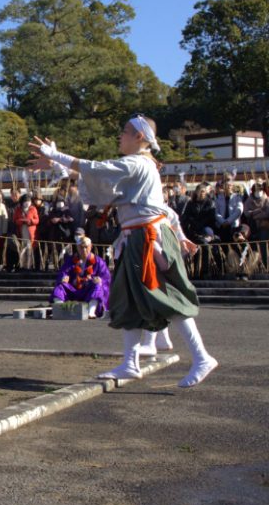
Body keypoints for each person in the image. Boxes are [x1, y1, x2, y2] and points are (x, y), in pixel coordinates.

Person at [30, 114, 218, 387]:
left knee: (167, 298)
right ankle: (130, 362)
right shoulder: (139, 166)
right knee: (127, 298)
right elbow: (103, 183)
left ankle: (201, 357)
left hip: (147, 238)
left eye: (125, 131)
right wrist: (59, 165)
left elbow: (99, 170)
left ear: (140, 137)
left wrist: (58, 155)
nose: (120, 135)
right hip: (137, 237)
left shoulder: (139, 163)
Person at [49, 236, 111, 318]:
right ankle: (60, 309)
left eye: (86, 247)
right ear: (77, 247)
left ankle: (91, 311)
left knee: (97, 286)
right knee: (60, 287)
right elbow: (63, 272)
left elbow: (106, 277)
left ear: (91, 246)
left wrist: (100, 280)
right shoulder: (71, 260)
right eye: (81, 248)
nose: (84, 250)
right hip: (73, 289)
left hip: (88, 290)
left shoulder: (99, 261)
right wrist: (63, 278)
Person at [12, 194, 39, 269]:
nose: (27, 203)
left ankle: (29, 266)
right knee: (22, 248)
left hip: (31, 232)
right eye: (26, 201)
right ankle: (22, 265)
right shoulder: (18, 209)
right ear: (22, 202)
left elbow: (37, 220)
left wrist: (30, 221)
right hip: (22, 230)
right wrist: (21, 221)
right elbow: (14, 220)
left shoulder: (33, 209)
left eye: (29, 201)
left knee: (30, 248)